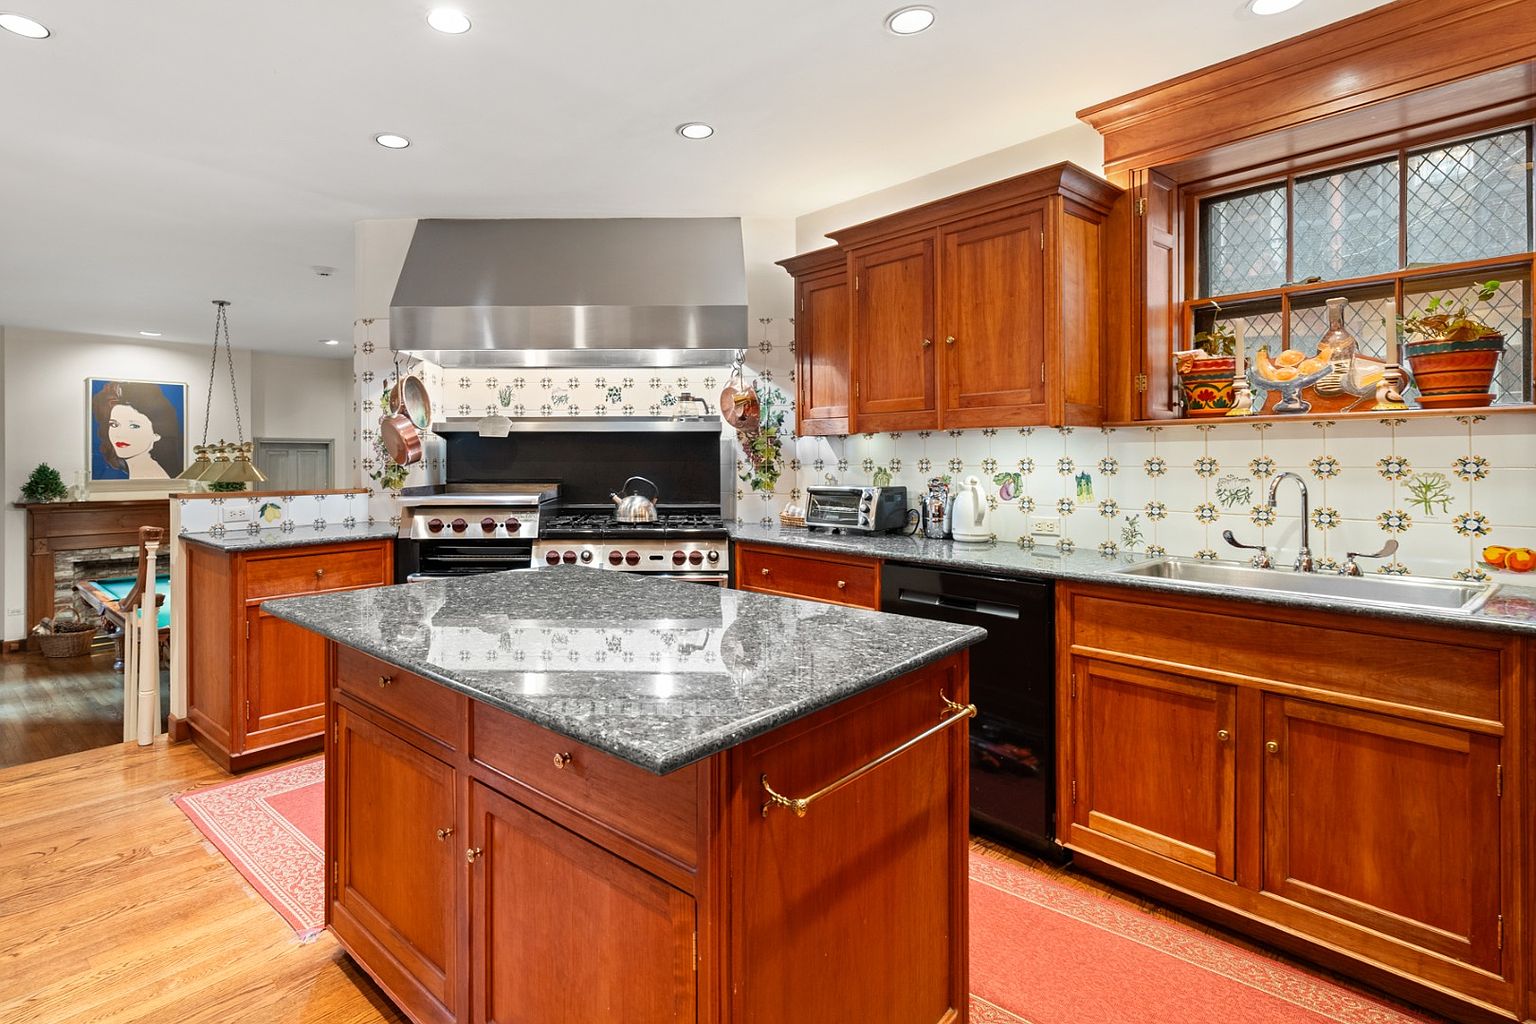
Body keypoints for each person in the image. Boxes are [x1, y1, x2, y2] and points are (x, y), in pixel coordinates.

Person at [91, 381, 182, 480]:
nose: (120, 434)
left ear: (156, 434)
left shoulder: (152, 477)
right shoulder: (138, 474)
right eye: (114, 425)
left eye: (133, 426)